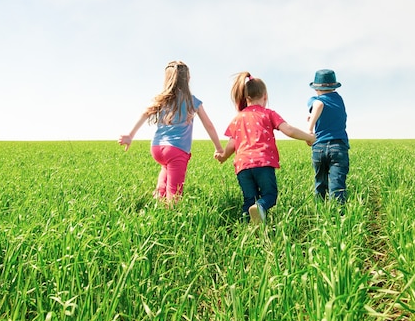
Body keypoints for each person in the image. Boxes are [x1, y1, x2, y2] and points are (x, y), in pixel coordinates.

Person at [216, 72, 315, 224]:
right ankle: (260, 207)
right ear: (265, 96)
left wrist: (222, 157)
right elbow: (288, 129)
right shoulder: (268, 114)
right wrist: (309, 137)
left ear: (245, 97)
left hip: (243, 166)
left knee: (249, 200)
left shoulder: (237, 118)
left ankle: (246, 229)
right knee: (269, 196)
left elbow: (231, 144)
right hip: (263, 162)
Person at [118, 61, 223, 202]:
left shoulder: (162, 100)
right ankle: (171, 211)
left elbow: (145, 113)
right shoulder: (192, 101)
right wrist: (218, 147)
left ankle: (158, 202)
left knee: (165, 172)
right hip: (176, 149)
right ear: (188, 80)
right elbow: (208, 125)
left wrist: (130, 135)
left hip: (157, 148)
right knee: (175, 192)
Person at [307, 69, 349, 204]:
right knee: (337, 184)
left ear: (316, 88)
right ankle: (337, 216)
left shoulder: (315, 100)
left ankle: (320, 212)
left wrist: (310, 129)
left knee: (320, 182)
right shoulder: (339, 99)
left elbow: (318, 104)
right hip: (338, 146)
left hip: (319, 146)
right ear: (334, 86)